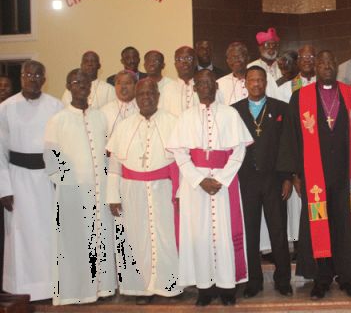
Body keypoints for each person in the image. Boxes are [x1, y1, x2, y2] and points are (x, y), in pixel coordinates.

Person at [277, 50, 351, 299]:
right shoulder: (300, 97)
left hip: (346, 176)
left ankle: (347, 278)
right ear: (315, 67)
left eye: (330, 61)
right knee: (318, 226)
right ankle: (321, 279)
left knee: (346, 226)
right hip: (314, 179)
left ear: (336, 65)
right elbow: (291, 137)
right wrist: (294, 174)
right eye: (321, 62)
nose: (326, 65)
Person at [167, 69, 253, 306]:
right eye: (200, 83)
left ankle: (227, 287)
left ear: (216, 87)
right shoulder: (185, 117)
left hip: (224, 183)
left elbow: (239, 150)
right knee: (199, 234)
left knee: (224, 233)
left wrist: (222, 178)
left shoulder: (230, 113)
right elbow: (179, 152)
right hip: (195, 185)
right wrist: (198, 179)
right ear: (194, 88)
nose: (205, 86)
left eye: (209, 83)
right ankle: (204, 288)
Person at [44, 69, 117, 305]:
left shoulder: (99, 117)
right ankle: (77, 292)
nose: (81, 85)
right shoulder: (58, 119)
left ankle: (103, 289)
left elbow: (107, 152)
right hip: (73, 193)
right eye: (76, 82)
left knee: (101, 239)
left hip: (100, 192)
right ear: (68, 86)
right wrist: (69, 186)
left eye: (85, 82)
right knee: (76, 243)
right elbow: (52, 159)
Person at [106, 79, 182, 304]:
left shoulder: (173, 122)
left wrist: (180, 193)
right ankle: (142, 290)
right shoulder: (124, 126)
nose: (146, 97)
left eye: (151, 93)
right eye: (141, 94)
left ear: (158, 96)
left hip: (164, 190)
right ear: (136, 98)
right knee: (137, 240)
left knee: (166, 239)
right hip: (132, 192)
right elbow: (114, 165)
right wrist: (112, 195)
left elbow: (182, 162)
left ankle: (170, 286)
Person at [0, 61, 63, 301]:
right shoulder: (6, 108)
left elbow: (60, 146)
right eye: (28, 74)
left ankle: (50, 287)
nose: (33, 78)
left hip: (47, 180)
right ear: (22, 77)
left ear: (44, 78)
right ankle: (21, 287)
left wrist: (60, 178)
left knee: (49, 233)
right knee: (20, 236)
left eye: (38, 75)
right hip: (18, 180)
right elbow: (0, 150)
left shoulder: (56, 106)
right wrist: (4, 187)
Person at [232, 66, 293, 298]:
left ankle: (283, 280)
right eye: (252, 80)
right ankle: (253, 281)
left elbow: (287, 145)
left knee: (278, 231)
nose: (256, 84)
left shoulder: (281, 108)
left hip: (275, 180)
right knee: (250, 232)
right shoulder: (234, 111)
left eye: (260, 80)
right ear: (245, 83)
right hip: (245, 181)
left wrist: (287, 177)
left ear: (266, 82)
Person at [277, 44, 317, 245]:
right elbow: (284, 132)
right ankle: (299, 244)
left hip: (320, 157)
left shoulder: (326, 85)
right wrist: (291, 173)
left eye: (312, 57)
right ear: (298, 62)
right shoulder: (285, 90)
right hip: (297, 156)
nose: (308, 60)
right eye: (304, 57)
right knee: (296, 206)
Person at [160, 46, 199, 117]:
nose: (184, 62)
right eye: (180, 59)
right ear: (175, 64)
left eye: (189, 58)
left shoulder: (203, 87)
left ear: (195, 62)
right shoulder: (166, 89)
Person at [101, 70, 139, 138]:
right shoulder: (104, 111)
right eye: (119, 83)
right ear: (115, 86)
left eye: (127, 83)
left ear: (136, 85)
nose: (123, 86)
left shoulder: (142, 109)